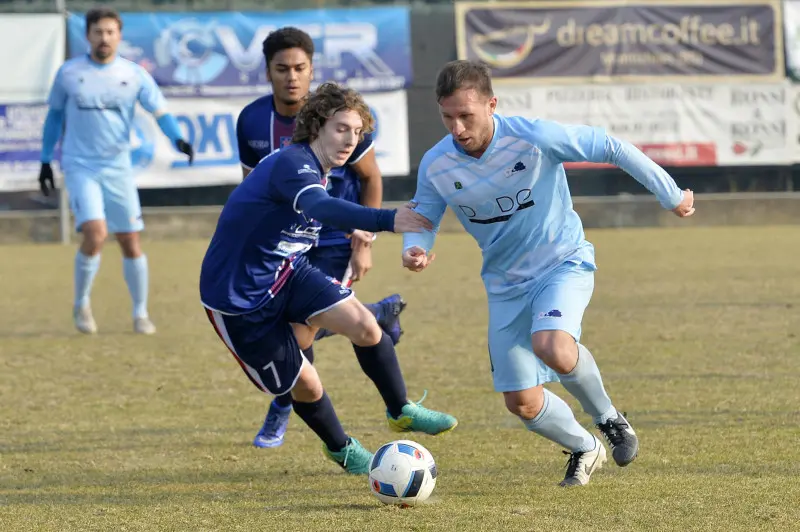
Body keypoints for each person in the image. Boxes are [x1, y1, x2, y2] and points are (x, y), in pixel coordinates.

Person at [402, 60, 696, 487]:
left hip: (562, 263)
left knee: (552, 345)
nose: (457, 128)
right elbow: (424, 217)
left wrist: (671, 195)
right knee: (521, 402)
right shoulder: (436, 163)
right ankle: (584, 446)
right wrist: (415, 248)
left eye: (466, 115)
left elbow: (611, 147)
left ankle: (608, 419)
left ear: (492, 105)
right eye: (448, 117)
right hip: (504, 285)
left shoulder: (533, 137)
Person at [200, 82, 458, 474]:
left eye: (357, 132)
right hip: (238, 298)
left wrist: (373, 239)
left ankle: (401, 410)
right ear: (317, 125)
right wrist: (389, 219)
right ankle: (342, 449)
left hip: (286, 270)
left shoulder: (319, 169)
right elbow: (321, 206)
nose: (351, 140)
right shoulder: (293, 164)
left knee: (365, 326)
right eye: (341, 129)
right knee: (306, 385)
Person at [236, 27, 407, 448]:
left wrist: (363, 241)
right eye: (282, 69)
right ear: (267, 72)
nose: (291, 77)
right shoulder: (252, 120)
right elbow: (250, 188)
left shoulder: (340, 118)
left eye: (300, 68)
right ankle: (377, 314)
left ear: (312, 70)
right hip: (282, 244)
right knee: (290, 327)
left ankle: (282, 404)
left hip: (333, 239)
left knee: (299, 334)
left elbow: (370, 178)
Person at [38, 6, 194, 335]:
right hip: (81, 165)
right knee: (95, 234)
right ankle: (81, 304)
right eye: (98, 32)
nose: (104, 38)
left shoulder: (133, 75)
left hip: (118, 167)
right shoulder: (69, 73)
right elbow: (54, 117)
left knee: (129, 240)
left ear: (119, 36)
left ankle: (140, 313)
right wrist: (45, 159)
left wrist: (178, 139)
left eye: (110, 32)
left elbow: (160, 111)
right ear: (87, 35)